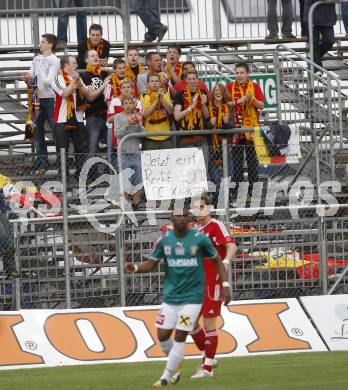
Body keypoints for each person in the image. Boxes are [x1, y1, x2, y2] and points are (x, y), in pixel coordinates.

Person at [124, 208, 231, 387]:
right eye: (177, 216)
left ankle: (203, 367)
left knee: (190, 329)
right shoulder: (165, 240)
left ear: (188, 218)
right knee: (165, 334)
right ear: (171, 218)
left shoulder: (204, 235)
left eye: (184, 215)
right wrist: (134, 268)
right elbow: (151, 264)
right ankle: (204, 356)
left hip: (200, 290)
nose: (181, 219)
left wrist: (226, 283)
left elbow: (222, 255)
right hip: (172, 296)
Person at [190, 194, 237, 378]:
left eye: (202, 206)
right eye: (196, 207)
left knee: (209, 324)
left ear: (209, 208)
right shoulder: (194, 229)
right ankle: (207, 355)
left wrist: (225, 262)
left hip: (212, 281)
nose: (198, 210)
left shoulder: (215, 225)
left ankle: (207, 368)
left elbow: (232, 246)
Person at [20, 33, 60, 175]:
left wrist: (35, 78)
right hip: (36, 99)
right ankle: (42, 164)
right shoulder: (36, 59)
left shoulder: (55, 60)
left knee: (56, 132)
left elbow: (51, 80)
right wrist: (27, 77)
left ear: (50, 44)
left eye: (43, 42)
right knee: (37, 133)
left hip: (50, 99)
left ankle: (62, 164)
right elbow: (31, 74)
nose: (41, 44)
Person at [226, 62, 264, 198]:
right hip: (236, 131)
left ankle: (254, 193)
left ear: (247, 74)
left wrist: (251, 100)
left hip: (251, 131)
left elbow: (261, 106)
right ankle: (237, 193)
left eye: (242, 72)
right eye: (237, 73)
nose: (239, 75)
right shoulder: (230, 87)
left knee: (253, 162)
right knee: (237, 164)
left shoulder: (254, 87)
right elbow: (226, 105)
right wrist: (239, 101)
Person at [52, 55, 89, 180]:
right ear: (66, 65)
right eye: (73, 63)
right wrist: (73, 81)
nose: (76, 66)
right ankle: (64, 176)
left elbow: (87, 95)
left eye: (76, 63)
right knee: (63, 149)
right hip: (62, 119)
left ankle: (80, 176)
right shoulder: (57, 78)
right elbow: (65, 93)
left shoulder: (78, 78)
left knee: (80, 149)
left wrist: (80, 83)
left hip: (78, 119)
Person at [207, 83, 234, 206]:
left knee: (228, 179)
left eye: (220, 90)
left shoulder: (229, 108)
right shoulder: (208, 107)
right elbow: (204, 126)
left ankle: (226, 205)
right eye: (216, 90)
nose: (218, 92)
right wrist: (210, 124)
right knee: (216, 181)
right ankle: (217, 206)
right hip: (212, 150)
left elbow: (232, 126)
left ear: (224, 93)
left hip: (226, 149)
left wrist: (226, 122)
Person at [114, 95, 144, 209]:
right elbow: (116, 133)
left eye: (130, 103)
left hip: (135, 152)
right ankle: (124, 204)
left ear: (133, 105)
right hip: (124, 153)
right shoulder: (118, 117)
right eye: (125, 103)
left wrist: (140, 123)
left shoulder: (136, 116)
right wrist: (127, 124)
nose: (128, 106)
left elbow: (142, 134)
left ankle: (137, 204)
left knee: (137, 180)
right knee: (125, 180)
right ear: (122, 105)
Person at [80, 49, 111, 157]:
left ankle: (110, 172)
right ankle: (92, 173)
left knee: (109, 148)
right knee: (92, 148)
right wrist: (104, 85)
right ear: (86, 60)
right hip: (93, 116)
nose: (96, 57)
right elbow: (90, 97)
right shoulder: (85, 76)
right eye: (92, 56)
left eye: (97, 55)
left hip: (108, 116)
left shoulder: (103, 73)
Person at [107, 78, 143, 166]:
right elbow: (108, 120)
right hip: (119, 135)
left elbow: (140, 118)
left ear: (132, 89)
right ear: (120, 89)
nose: (126, 89)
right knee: (116, 161)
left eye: (128, 87)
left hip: (133, 138)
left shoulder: (137, 102)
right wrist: (123, 114)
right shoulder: (114, 101)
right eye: (123, 87)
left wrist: (133, 110)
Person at [173, 68, 209, 149]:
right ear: (185, 80)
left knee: (204, 161)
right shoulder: (180, 94)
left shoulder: (202, 92)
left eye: (194, 78)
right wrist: (191, 107)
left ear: (197, 79)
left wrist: (203, 104)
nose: (192, 81)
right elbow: (177, 116)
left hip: (201, 135)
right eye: (189, 79)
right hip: (186, 136)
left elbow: (207, 116)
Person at [141, 72, 173, 150]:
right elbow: (145, 115)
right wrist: (156, 100)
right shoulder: (144, 96)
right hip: (150, 138)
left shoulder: (165, 94)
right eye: (152, 81)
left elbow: (170, 111)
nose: (154, 83)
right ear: (148, 84)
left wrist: (161, 99)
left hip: (165, 136)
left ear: (160, 83)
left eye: (156, 81)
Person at [304, 0, 337, 69]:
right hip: (312, 15)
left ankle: (313, 60)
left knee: (330, 40)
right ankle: (317, 70)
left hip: (328, 17)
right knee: (314, 43)